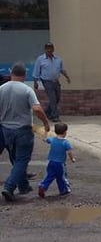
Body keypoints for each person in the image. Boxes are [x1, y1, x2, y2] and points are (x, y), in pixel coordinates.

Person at [1, 63, 51, 202]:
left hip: (6, 130)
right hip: (23, 130)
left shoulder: (2, 88)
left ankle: (23, 185)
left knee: (16, 159)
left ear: (11, 73)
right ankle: (9, 187)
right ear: (24, 76)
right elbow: (37, 109)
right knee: (22, 160)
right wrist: (46, 122)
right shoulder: (26, 90)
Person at [32, 42, 71, 122]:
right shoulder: (40, 59)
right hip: (46, 81)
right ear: (45, 49)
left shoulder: (58, 59)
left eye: (51, 48)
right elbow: (36, 71)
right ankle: (55, 116)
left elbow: (61, 70)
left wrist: (67, 77)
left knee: (57, 98)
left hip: (56, 81)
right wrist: (35, 82)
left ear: (53, 49)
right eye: (47, 48)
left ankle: (47, 112)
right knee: (52, 98)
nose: (49, 50)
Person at [37, 122, 75, 198]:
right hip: (60, 164)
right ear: (65, 132)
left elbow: (45, 139)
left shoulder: (52, 140)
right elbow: (69, 152)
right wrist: (72, 159)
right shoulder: (65, 142)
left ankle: (43, 186)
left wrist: (45, 131)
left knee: (50, 175)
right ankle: (64, 190)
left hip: (51, 162)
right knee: (61, 177)